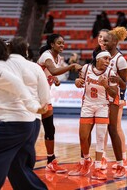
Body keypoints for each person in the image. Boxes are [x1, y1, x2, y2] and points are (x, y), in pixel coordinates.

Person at [0, 37, 48, 190]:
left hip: (12, 124)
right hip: (20, 123)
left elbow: (17, 83)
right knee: (15, 166)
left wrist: (33, 106)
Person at [69, 51, 118, 180]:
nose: (108, 61)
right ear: (98, 59)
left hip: (102, 106)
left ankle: (97, 168)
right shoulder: (86, 69)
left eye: (109, 59)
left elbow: (114, 94)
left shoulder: (110, 73)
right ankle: (86, 159)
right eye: (105, 59)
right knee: (83, 137)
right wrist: (77, 82)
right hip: (87, 105)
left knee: (100, 138)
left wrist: (106, 85)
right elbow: (79, 81)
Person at [37, 33, 82, 173]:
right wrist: (72, 66)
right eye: (59, 43)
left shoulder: (57, 57)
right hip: (34, 96)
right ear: (52, 44)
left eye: (63, 43)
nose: (62, 45)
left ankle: (51, 161)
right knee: (29, 129)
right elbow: (54, 70)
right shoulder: (47, 55)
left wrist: (54, 79)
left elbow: (51, 73)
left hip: (44, 95)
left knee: (50, 129)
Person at [103, 27, 127, 173]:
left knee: (115, 128)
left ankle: (123, 159)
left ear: (115, 41)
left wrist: (117, 79)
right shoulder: (102, 56)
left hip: (115, 97)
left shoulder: (120, 60)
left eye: (107, 40)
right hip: (103, 97)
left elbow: (125, 84)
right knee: (106, 128)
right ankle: (104, 158)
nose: (104, 42)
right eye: (103, 40)